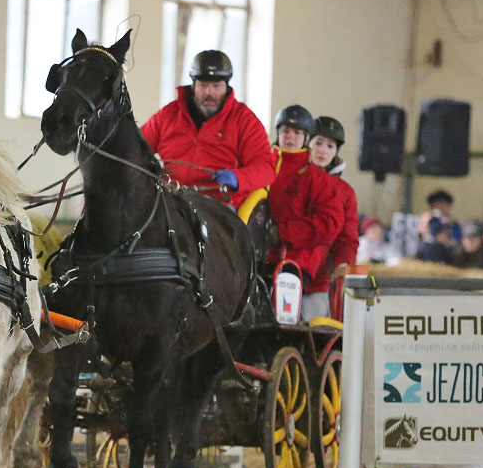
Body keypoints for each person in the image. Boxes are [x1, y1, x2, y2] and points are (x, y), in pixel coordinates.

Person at [140, 50, 275, 207]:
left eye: (216, 86)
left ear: (226, 86)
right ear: (193, 86)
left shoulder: (244, 119)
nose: (209, 92)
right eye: (203, 85)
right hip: (171, 199)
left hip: (218, 203)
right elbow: (136, 147)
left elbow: (266, 168)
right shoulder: (168, 114)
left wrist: (238, 178)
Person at [266, 105, 343, 321]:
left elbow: (329, 223)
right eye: (286, 131)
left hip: (297, 260)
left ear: (305, 137)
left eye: (297, 133)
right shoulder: (262, 167)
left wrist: (284, 233)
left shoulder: (317, 178)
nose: (290, 137)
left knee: (283, 318)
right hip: (258, 255)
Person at [304, 116, 358, 318]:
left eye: (330, 146)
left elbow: (348, 238)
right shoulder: (290, 179)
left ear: (336, 152)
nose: (322, 151)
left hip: (318, 282)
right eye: (318, 143)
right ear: (307, 143)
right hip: (281, 272)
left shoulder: (345, 193)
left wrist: (343, 265)